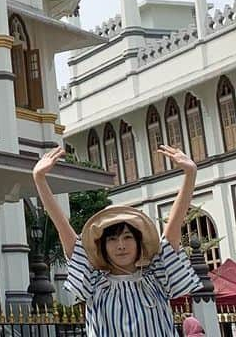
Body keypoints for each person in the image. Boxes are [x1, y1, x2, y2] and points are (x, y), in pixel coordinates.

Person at [32, 144, 202, 336]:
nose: (120, 245)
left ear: (139, 242)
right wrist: (39, 179)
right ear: (102, 246)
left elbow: (174, 225)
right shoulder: (95, 281)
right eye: (112, 239)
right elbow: (62, 225)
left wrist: (190, 174)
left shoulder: (156, 274)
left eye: (127, 237)